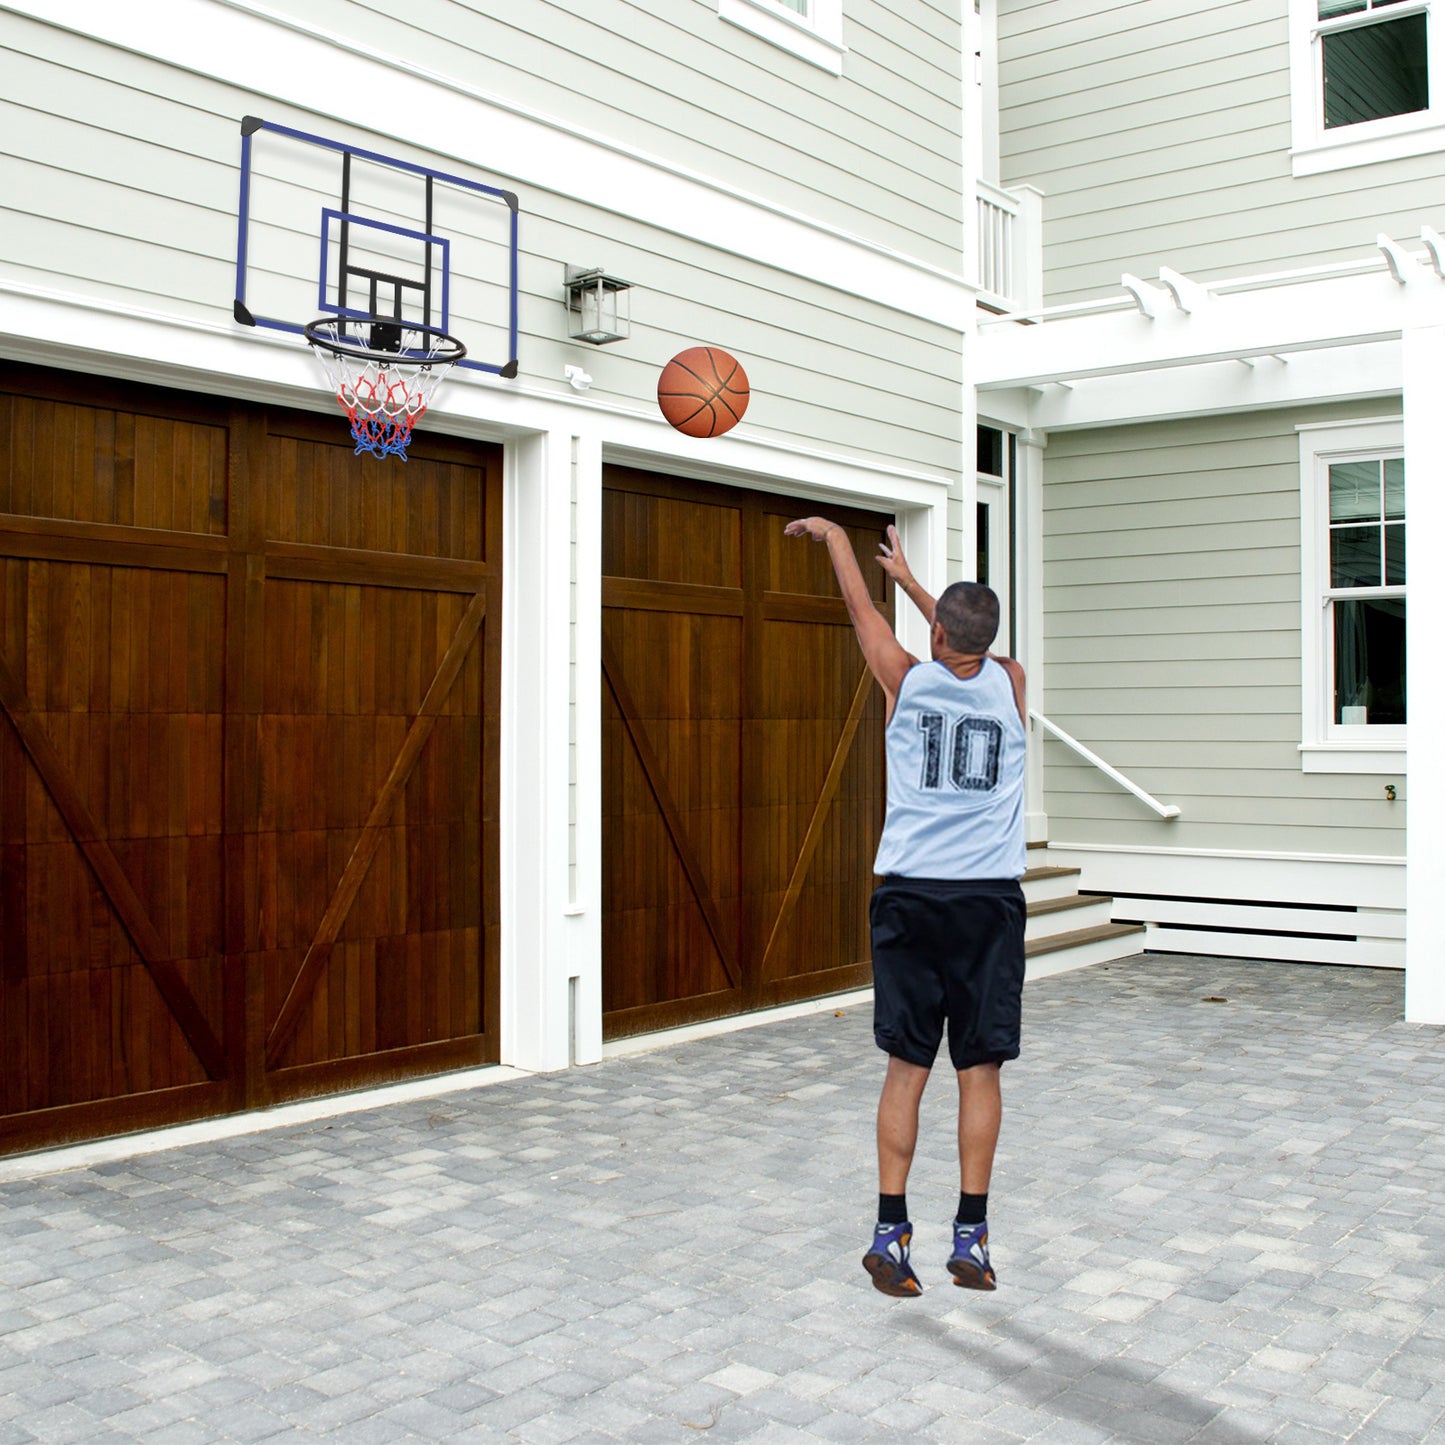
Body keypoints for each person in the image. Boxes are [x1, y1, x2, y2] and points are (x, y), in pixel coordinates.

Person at [784, 517, 1027, 1297]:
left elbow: (863, 611)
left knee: (906, 1069)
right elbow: (960, 633)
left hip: (910, 897)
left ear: (935, 632)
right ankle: (973, 1238)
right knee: (978, 1072)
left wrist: (835, 541)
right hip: (988, 901)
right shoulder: (1012, 681)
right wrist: (920, 585)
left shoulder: (904, 679)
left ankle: (890, 1235)